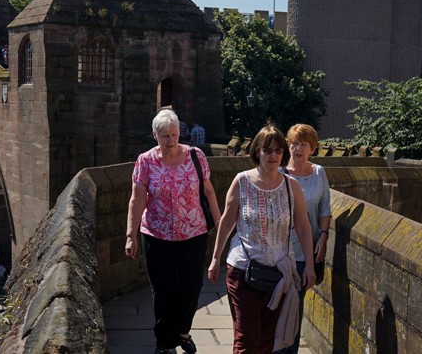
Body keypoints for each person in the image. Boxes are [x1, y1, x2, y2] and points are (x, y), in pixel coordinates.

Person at [207, 124, 315, 353]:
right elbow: (227, 222)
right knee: (247, 340)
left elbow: (304, 228)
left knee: (268, 341)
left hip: (278, 274)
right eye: (267, 150)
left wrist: (310, 265)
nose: (273, 155)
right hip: (242, 270)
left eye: (278, 150)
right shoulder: (242, 181)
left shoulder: (291, 187)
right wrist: (215, 258)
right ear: (257, 152)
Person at [125, 109, 222, 354]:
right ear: (154, 135)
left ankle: (183, 331)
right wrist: (130, 234)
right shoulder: (145, 161)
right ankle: (165, 342)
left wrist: (220, 223)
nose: (170, 141)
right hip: (157, 235)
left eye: (174, 135)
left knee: (191, 286)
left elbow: (209, 192)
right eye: (165, 136)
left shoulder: (196, 156)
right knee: (163, 289)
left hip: (194, 233)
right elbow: (137, 201)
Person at [275, 124, 332, 354]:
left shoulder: (319, 173)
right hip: (279, 253)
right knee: (279, 310)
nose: (297, 148)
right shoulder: (279, 173)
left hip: (305, 255)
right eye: (294, 143)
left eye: (303, 144)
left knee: (294, 309)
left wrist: (324, 237)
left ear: (312, 149)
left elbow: (325, 209)